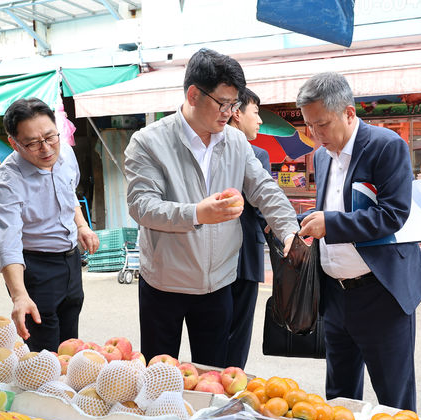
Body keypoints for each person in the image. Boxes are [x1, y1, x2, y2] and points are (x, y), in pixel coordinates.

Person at [125, 48, 299, 368]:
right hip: (165, 285)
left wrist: (289, 230)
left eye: (234, 104)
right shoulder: (148, 142)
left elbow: (263, 188)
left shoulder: (235, 142)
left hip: (218, 285)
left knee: (213, 376)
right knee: (160, 378)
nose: (229, 112)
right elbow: (141, 205)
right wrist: (196, 214)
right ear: (193, 95)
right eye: (223, 103)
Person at [296, 72, 421, 411]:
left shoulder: (386, 146)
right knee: (339, 398)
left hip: (381, 294)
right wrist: (307, 222)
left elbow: (393, 215)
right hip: (335, 294)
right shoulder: (322, 156)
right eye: (310, 126)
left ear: (349, 113)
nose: (316, 135)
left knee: (394, 398)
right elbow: (335, 209)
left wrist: (330, 224)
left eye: (322, 124)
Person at [0, 97, 100, 352]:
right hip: (36, 269)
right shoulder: (7, 180)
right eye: (32, 143)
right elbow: (8, 241)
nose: (47, 149)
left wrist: (82, 225)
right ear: (14, 144)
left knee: (70, 346)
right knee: (45, 355)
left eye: (50, 137)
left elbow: (68, 192)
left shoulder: (64, 153)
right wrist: (19, 295)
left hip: (71, 261)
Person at [225, 88, 271, 369]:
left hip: (215, 255)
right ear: (237, 113)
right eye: (256, 113)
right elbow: (264, 204)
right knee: (238, 333)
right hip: (244, 257)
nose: (260, 121)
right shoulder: (256, 154)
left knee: (215, 331)